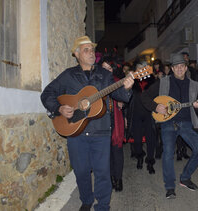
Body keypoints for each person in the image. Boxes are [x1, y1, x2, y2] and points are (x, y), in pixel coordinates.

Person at [40, 36, 134, 211]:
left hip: (101, 131)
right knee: (81, 171)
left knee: (102, 173)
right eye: (86, 50)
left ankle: (103, 205)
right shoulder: (68, 75)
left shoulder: (105, 74)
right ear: (76, 54)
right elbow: (47, 94)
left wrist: (126, 88)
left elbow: (119, 96)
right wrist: (59, 108)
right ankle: (86, 199)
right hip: (76, 132)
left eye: (92, 50)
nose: (91, 53)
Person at [141, 54, 198, 199]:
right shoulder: (163, 83)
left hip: (187, 123)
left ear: (186, 67)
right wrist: (156, 107)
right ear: (172, 69)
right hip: (168, 123)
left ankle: (185, 177)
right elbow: (144, 97)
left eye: (182, 66)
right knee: (168, 154)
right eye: (176, 66)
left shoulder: (194, 85)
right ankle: (170, 187)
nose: (179, 69)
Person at [126, 61, 157, 174]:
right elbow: (125, 97)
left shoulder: (152, 80)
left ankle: (150, 162)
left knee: (151, 140)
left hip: (150, 114)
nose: (140, 71)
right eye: (138, 69)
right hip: (136, 115)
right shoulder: (131, 81)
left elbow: (158, 96)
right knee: (137, 141)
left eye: (142, 69)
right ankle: (139, 157)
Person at [99, 56, 125, 192]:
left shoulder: (117, 82)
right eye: (104, 68)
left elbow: (125, 96)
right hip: (100, 122)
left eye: (109, 68)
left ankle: (118, 178)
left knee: (117, 151)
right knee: (105, 153)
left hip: (115, 119)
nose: (107, 71)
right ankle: (110, 179)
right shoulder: (95, 82)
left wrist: (121, 102)